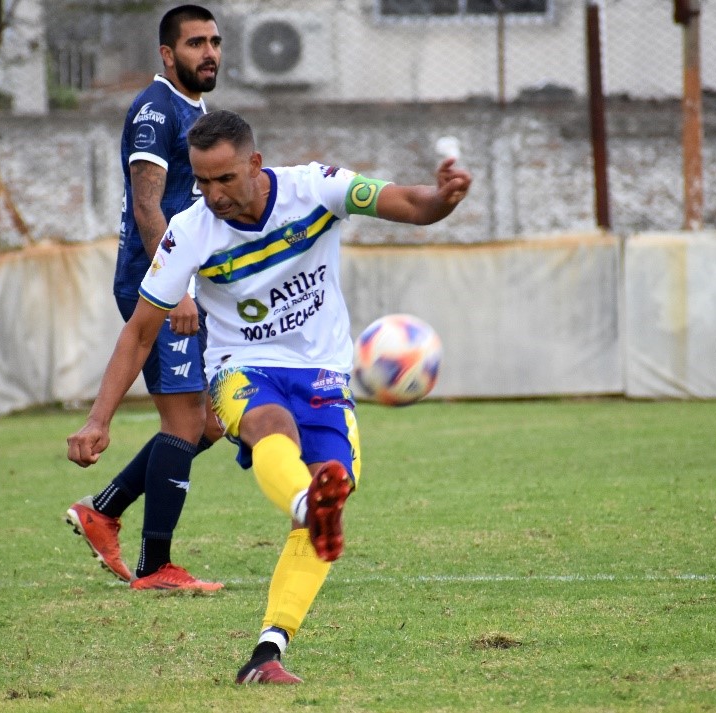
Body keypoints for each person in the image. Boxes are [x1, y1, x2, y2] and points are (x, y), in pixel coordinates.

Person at [67, 110, 471, 684]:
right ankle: (308, 504)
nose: (212, 194)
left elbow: (410, 205)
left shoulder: (315, 188)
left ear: (255, 165)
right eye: (202, 182)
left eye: (224, 179)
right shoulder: (191, 230)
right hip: (241, 370)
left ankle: (267, 652)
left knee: (333, 484)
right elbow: (138, 330)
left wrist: (443, 199)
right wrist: (97, 419)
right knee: (274, 430)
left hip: (324, 375)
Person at [64, 5, 226, 591]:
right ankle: (155, 566)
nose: (208, 53)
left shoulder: (194, 110)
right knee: (185, 419)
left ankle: (103, 510)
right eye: (194, 44)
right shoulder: (156, 110)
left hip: (183, 280)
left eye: (214, 42)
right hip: (154, 280)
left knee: (210, 422)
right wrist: (176, 285)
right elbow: (147, 207)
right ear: (167, 54)